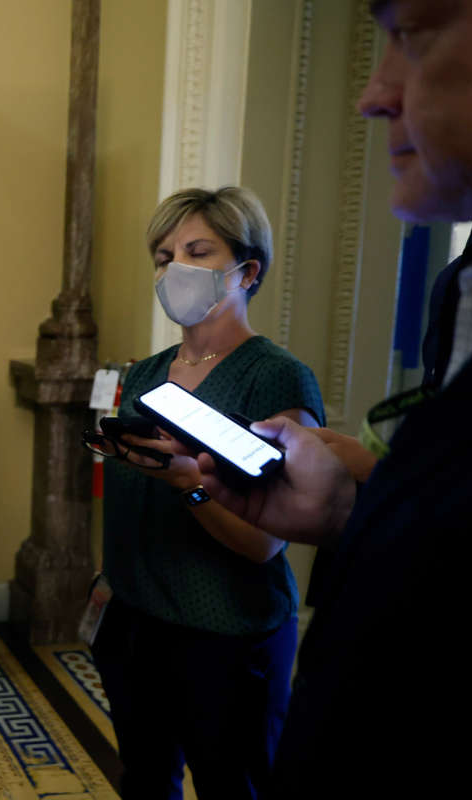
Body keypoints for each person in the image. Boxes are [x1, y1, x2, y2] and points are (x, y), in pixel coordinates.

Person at [195, 1, 472, 795]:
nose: (372, 92)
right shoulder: (464, 287)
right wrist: (362, 508)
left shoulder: (276, 371)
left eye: (413, 36)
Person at [89, 187, 324, 800]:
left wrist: (192, 487)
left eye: (197, 252)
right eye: (165, 256)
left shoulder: (275, 376)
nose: (174, 270)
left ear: (246, 270)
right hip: (138, 626)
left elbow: (264, 545)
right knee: (145, 780)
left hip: (225, 637)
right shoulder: (146, 374)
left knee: (231, 787)